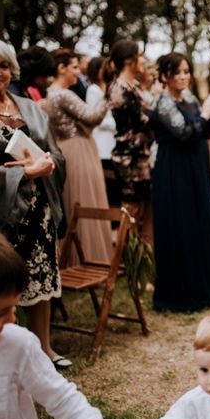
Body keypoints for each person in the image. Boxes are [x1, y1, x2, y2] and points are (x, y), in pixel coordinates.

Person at [0, 224, 121, 419]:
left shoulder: (17, 345)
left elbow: (59, 395)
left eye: (14, 308)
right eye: (0, 313)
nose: (11, 319)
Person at [0, 36, 69, 369]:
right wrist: (22, 175)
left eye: (4, 66)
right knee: (0, 282)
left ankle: (44, 350)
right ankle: (3, 353)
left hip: (38, 210)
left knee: (41, 277)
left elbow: (53, 149)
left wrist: (49, 163)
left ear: (13, 71)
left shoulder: (27, 106)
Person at [149, 52, 210, 312]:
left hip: (197, 168)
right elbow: (184, 133)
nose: (183, 76)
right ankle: (180, 294)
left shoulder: (190, 98)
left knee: (200, 219)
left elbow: (205, 131)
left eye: (186, 71)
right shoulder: (163, 103)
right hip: (174, 170)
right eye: (177, 72)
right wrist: (205, 112)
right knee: (181, 223)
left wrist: (209, 110)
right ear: (165, 76)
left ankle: (205, 288)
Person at [45, 48, 112, 265]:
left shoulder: (51, 94)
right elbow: (91, 117)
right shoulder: (62, 94)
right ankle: (88, 259)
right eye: (74, 67)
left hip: (68, 147)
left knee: (76, 199)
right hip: (77, 150)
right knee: (84, 200)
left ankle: (76, 258)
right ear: (61, 68)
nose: (78, 73)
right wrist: (109, 95)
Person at [107, 39, 154, 241]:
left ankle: (142, 261)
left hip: (141, 156)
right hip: (129, 160)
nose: (143, 59)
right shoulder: (119, 89)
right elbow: (145, 121)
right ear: (129, 60)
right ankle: (130, 263)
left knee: (143, 213)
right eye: (140, 55)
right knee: (131, 213)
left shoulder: (134, 86)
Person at [86, 56, 121, 208]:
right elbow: (95, 118)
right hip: (101, 144)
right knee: (108, 184)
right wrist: (117, 124)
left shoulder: (107, 89)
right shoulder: (93, 90)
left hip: (111, 143)